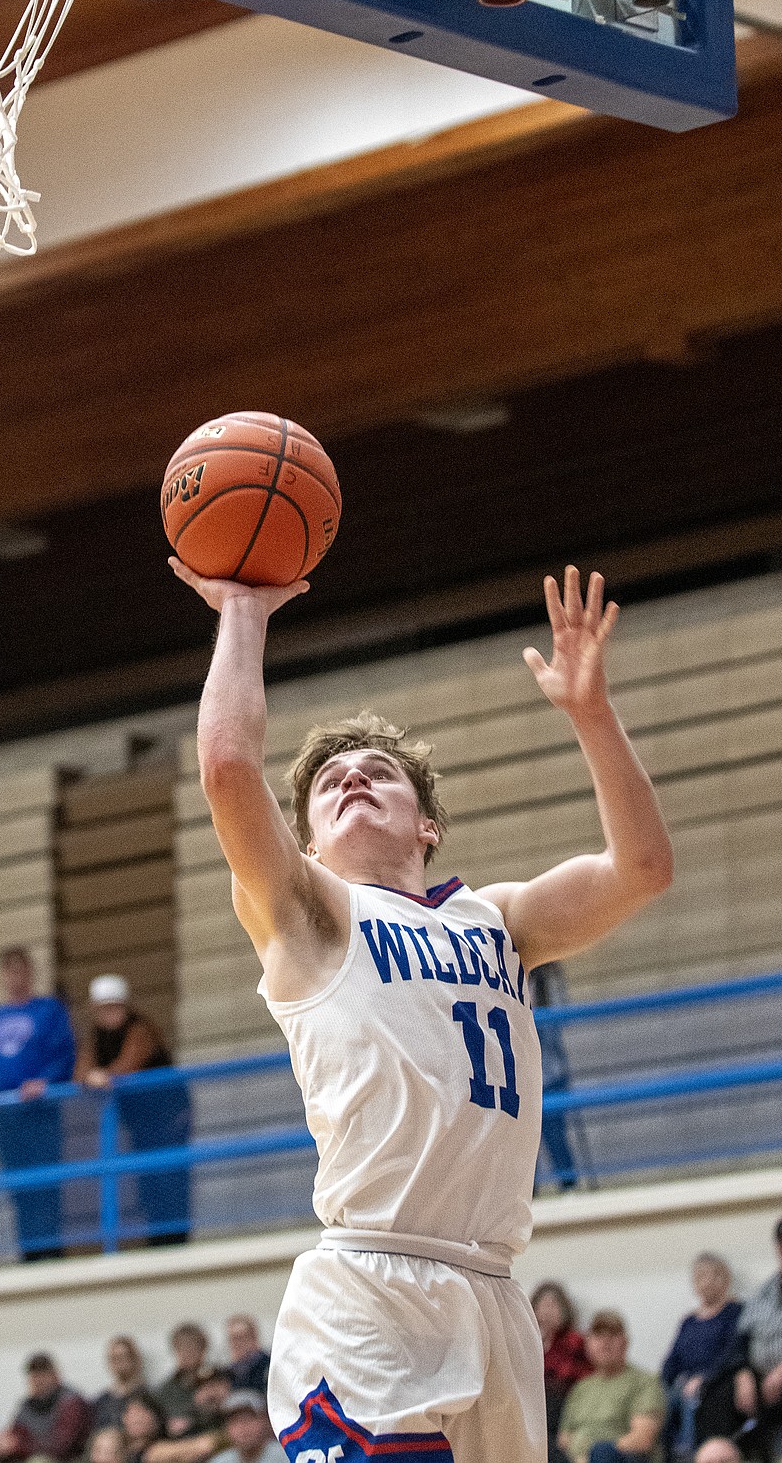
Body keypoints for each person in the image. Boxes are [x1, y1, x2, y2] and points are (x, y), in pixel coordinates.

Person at [172, 557, 674, 1463]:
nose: (352, 780)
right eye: (329, 785)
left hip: (494, 1296)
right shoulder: (311, 914)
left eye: (378, 774)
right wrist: (242, 610)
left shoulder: (502, 920)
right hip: (368, 1286)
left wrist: (592, 714)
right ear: (311, 840)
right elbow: (227, 767)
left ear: (427, 824)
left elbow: (641, 869)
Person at [75, 975, 191, 1246]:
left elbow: (130, 1062)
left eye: (115, 1007)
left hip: (169, 1116)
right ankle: (158, 1237)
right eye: (104, 1008)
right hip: (140, 1121)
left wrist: (104, 1076)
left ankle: (175, 1239)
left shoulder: (140, 1028)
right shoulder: (96, 1037)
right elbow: (81, 1071)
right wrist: (92, 1076)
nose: (110, 1014)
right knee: (148, 1181)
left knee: (170, 1177)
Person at [0, 946, 76, 1261]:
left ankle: (49, 1252)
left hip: (39, 1113)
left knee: (45, 1185)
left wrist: (45, 1080)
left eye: (20, 970)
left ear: (31, 972)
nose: (15, 977)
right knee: (18, 1188)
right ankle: (29, 1254)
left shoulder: (48, 1011)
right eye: (8, 971)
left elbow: (64, 1054)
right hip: (8, 1116)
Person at [662, 1254, 743, 1462]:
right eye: (700, 1276)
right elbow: (673, 1358)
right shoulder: (689, 1322)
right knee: (659, 1398)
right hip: (683, 1380)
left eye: (712, 1275)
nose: (706, 1282)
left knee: (692, 1394)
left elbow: (731, 1353)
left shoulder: (734, 1313)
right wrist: (663, 1381)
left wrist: (703, 1377)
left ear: (725, 1279)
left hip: (714, 1380)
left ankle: (691, 1450)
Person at [558, 1310, 666, 1463]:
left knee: (603, 1452)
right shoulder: (580, 1388)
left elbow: (642, 1438)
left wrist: (591, 1456)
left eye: (613, 1334)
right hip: (576, 1458)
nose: (605, 1342)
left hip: (618, 1457)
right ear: (588, 1343)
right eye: (599, 1335)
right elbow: (564, 1438)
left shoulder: (644, 1382)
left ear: (625, 1342)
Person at [734, 1216, 782, 1461]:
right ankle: (721, 1451)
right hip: (760, 1376)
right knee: (720, 1389)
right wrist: (743, 1372)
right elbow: (740, 1340)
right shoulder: (764, 1291)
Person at [0, 1354, 91, 1463]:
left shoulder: (71, 1403)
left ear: (56, 1375)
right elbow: (16, 1433)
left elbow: (60, 1446)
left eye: (43, 1374)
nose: (38, 1380)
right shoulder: (27, 1405)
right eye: (34, 1375)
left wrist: (17, 1446)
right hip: (30, 1455)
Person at [529, 963, 581, 1190]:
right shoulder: (509, 974)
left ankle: (569, 1187)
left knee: (555, 1135)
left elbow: (560, 1019)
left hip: (551, 1073)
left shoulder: (549, 980)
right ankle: (531, 1193)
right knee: (526, 1143)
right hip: (525, 1076)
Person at [533, 1281, 592, 1460]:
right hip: (537, 1402)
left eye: (553, 1305)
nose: (548, 1310)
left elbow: (583, 1376)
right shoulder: (530, 1342)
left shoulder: (574, 1341)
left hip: (567, 1401)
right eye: (543, 1304)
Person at [156, 1328, 210, 1438]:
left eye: (193, 1347)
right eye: (182, 1348)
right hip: (176, 1443)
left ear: (203, 1350)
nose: (188, 1353)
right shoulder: (165, 1390)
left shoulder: (216, 1380)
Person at [92, 1340, 146, 1433]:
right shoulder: (101, 1401)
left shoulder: (150, 1396)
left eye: (123, 1357)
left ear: (135, 1359)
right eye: (114, 1358)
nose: (119, 1363)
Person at [211, 1395, 284, 1463]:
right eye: (235, 1421)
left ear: (264, 1421)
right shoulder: (221, 1460)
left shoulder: (288, 1455)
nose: (242, 1427)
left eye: (248, 1419)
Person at [224, 1321, 269, 1400]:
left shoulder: (268, 1365)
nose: (236, 1343)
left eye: (240, 1338)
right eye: (232, 1339)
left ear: (254, 1338)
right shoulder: (228, 1373)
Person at [119, 1398, 166, 1463]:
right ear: (124, 1418)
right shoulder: (119, 1448)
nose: (137, 1418)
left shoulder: (164, 1450)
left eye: (142, 1411)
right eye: (132, 1412)